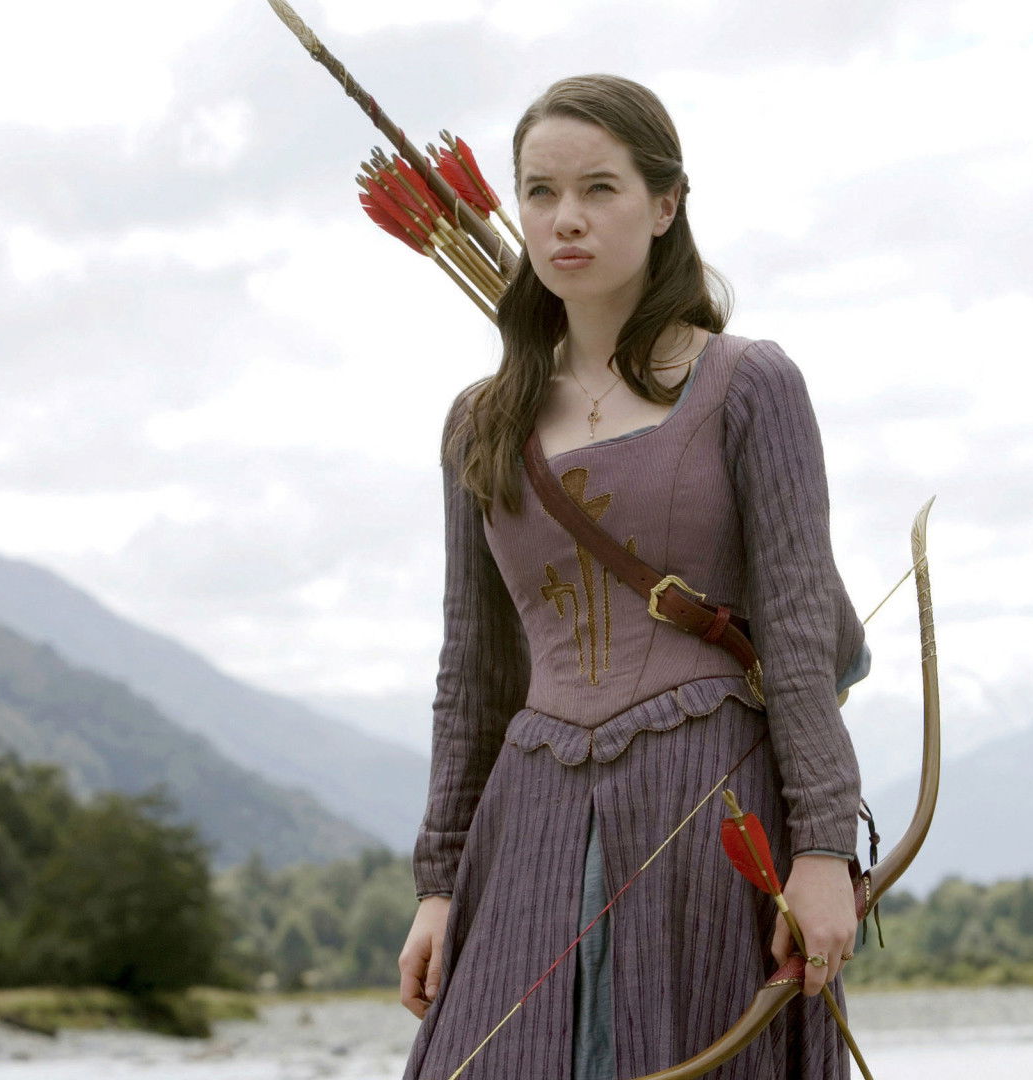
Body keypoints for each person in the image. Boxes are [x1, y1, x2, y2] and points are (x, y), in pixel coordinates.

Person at [397, 73, 872, 1080]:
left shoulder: (749, 385)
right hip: (528, 820)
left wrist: (825, 852)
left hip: (711, 807)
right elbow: (472, 670)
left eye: (599, 189)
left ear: (665, 205)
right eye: (540, 192)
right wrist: (439, 885)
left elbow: (796, 637)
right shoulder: (481, 422)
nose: (565, 218)